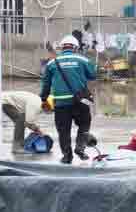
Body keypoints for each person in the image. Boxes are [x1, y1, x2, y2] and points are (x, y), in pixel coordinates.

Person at [40, 34, 98, 164]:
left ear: (62, 48)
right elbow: (93, 75)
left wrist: (43, 99)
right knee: (84, 124)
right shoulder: (82, 60)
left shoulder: (51, 63)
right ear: (76, 47)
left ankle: (67, 156)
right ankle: (80, 147)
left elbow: (45, 83)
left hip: (60, 103)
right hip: (79, 101)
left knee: (63, 131)